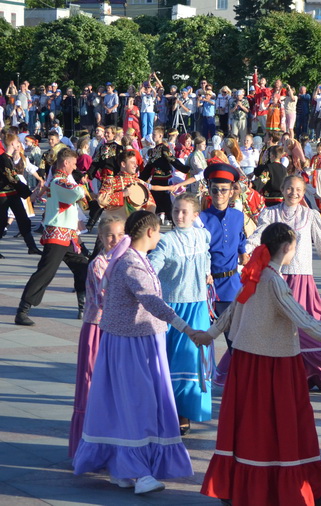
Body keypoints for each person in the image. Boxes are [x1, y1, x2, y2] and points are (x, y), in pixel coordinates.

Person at [186, 221, 321, 505]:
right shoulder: (272, 280)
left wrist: (209, 334)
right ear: (287, 248)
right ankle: (286, 485)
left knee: (249, 423)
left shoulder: (256, 275)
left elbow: (231, 311)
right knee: (282, 423)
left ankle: (237, 485)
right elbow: (303, 319)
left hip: (246, 362)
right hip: (275, 365)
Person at [72, 211, 198, 495]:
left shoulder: (132, 258)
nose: (161, 235)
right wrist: (185, 328)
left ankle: (122, 468)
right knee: (137, 404)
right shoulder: (131, 262)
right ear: (151, 232)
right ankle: (138, 472)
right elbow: (151, 300)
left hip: (135, 339)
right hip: (131, 343)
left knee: (127, 404)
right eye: (159, 231)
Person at [248, 175, 321, 391]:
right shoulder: (270, 213)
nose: (293, 193)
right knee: (277, 328)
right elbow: (258, 236)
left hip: (302, 280)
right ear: (282, 189)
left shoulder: (310, 215)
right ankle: (286, 374)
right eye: (289, 188)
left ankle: (318, 373)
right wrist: (245, 250)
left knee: (307, 327)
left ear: (304, 193)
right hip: (275, 278)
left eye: (298, 190)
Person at [148, 193, 212, 436]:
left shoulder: (202, 235)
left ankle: (189, 409)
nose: (179, 215)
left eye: (185, 211)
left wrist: (207, 271)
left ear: (196, 215)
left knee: (194, 359)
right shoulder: (167, 240)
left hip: (197, 305)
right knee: (174, 361)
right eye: (176, 211)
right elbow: (153, 264)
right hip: (174, 306)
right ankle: (173, 410)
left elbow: (206, 256)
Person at [68, 215, 125, 458]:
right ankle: (85, 445)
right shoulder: (99, 264)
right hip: (97, 329)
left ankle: (111, 443)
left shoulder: (126, 260)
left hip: (115, 329)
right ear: (100, 238)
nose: (115, 239)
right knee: (91, 384)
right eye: (110, 235)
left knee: (113, 386)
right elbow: (105, 299)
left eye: (120, 234)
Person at [16, 149, 90, 326]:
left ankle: (83, 307)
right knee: (45, 272)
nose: (74, 166)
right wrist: (82, 185)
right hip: (57, 234)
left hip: (67, 235)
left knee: (83, 267)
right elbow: (78, 194)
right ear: (65, 163)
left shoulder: (59, 181)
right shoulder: (59, 181)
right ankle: (22, 310)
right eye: (73, 163)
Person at [200, 164, 249, 383]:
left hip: (231, 285)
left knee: (234, 337)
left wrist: (243, 252)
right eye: (214, 190)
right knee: (202, 335)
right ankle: (201, 377)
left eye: (223, 189)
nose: (219, 194)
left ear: (232, 191)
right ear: (208, 191)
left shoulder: (238, 216)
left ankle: (240, 380)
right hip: (205, 287)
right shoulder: (200, 218)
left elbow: (241, 240)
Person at [0, 134, 41, 257]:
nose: (19, 143)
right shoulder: (3, 159)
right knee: (1, 222)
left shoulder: (9, 158)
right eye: (17, 141)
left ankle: (31, 246)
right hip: (3, 195)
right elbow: (12, 178)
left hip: (13, 194)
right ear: (13, 143)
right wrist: (28, 194)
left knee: (23, 219)